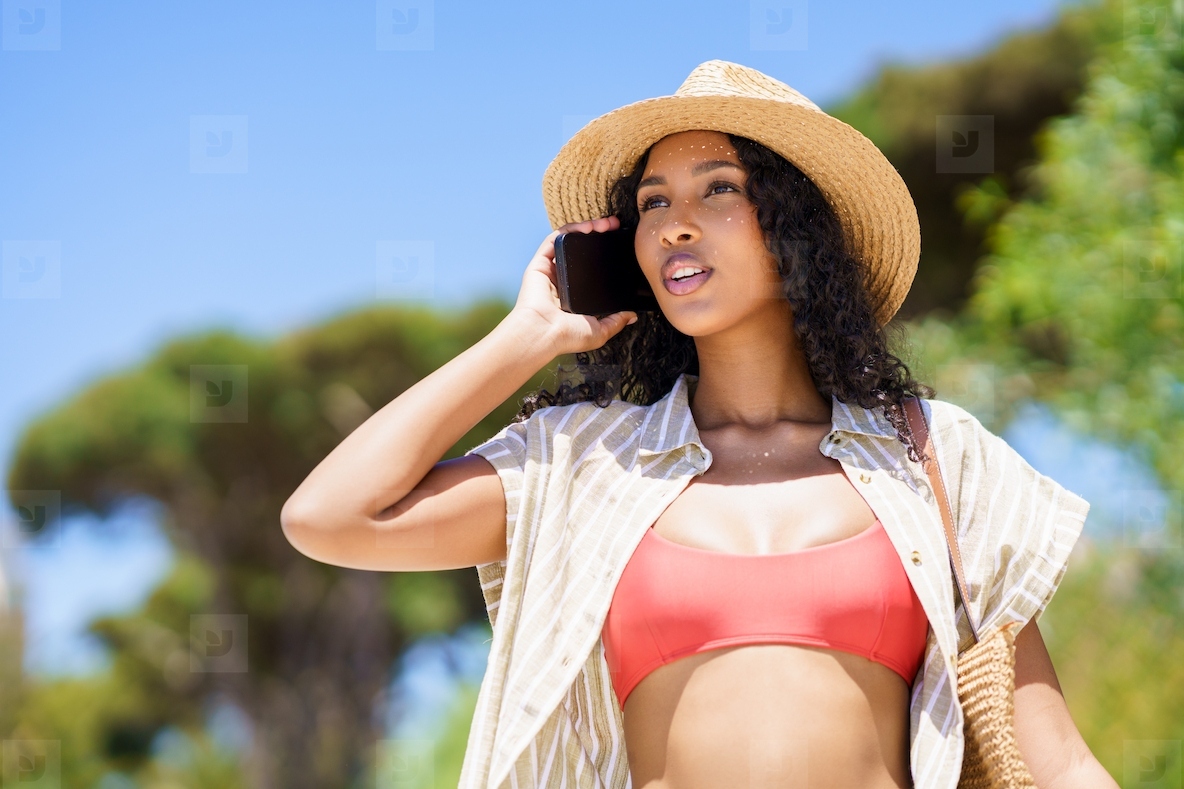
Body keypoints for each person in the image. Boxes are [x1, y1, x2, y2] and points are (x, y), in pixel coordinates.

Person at [281, 61, 1117, 789]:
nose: (674, 221)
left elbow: (1058, 759)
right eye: (653, 201)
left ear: (797, 230)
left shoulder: (932, 454)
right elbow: (332, 516)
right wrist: (524, 338)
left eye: (718, 188)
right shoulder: (582, 465)